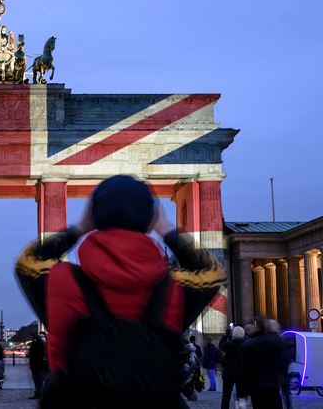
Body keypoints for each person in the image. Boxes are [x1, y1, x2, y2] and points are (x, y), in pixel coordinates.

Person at [15, 175, 227, 408]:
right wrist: (165, 228)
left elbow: (27, 263)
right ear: (148, 220)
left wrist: (80, 228)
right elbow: (213, 272)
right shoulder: (172, 290)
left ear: (95, 216)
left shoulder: (63, 282)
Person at [239, 317, 289, 409]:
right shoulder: (276, 343)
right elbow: (284, 363)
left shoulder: (249, 344)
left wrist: (243, 393)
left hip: (256, 388)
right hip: (273, 386)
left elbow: (245, 370)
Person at [219, 326, 245, 409]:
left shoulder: (229, 344)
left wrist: (226, 335)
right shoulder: (246, 344)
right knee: (241, 395)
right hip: (241, 372)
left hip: (229, 372)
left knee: (226, 395)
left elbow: (221, 345)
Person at [28, 333, 48, 399]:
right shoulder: (40, 343)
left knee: (38, 380)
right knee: (39, 380)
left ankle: (38, 393)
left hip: (36, 365)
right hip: (38, 365)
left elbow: (36, 354)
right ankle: (39, 393)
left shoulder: (36, 343)